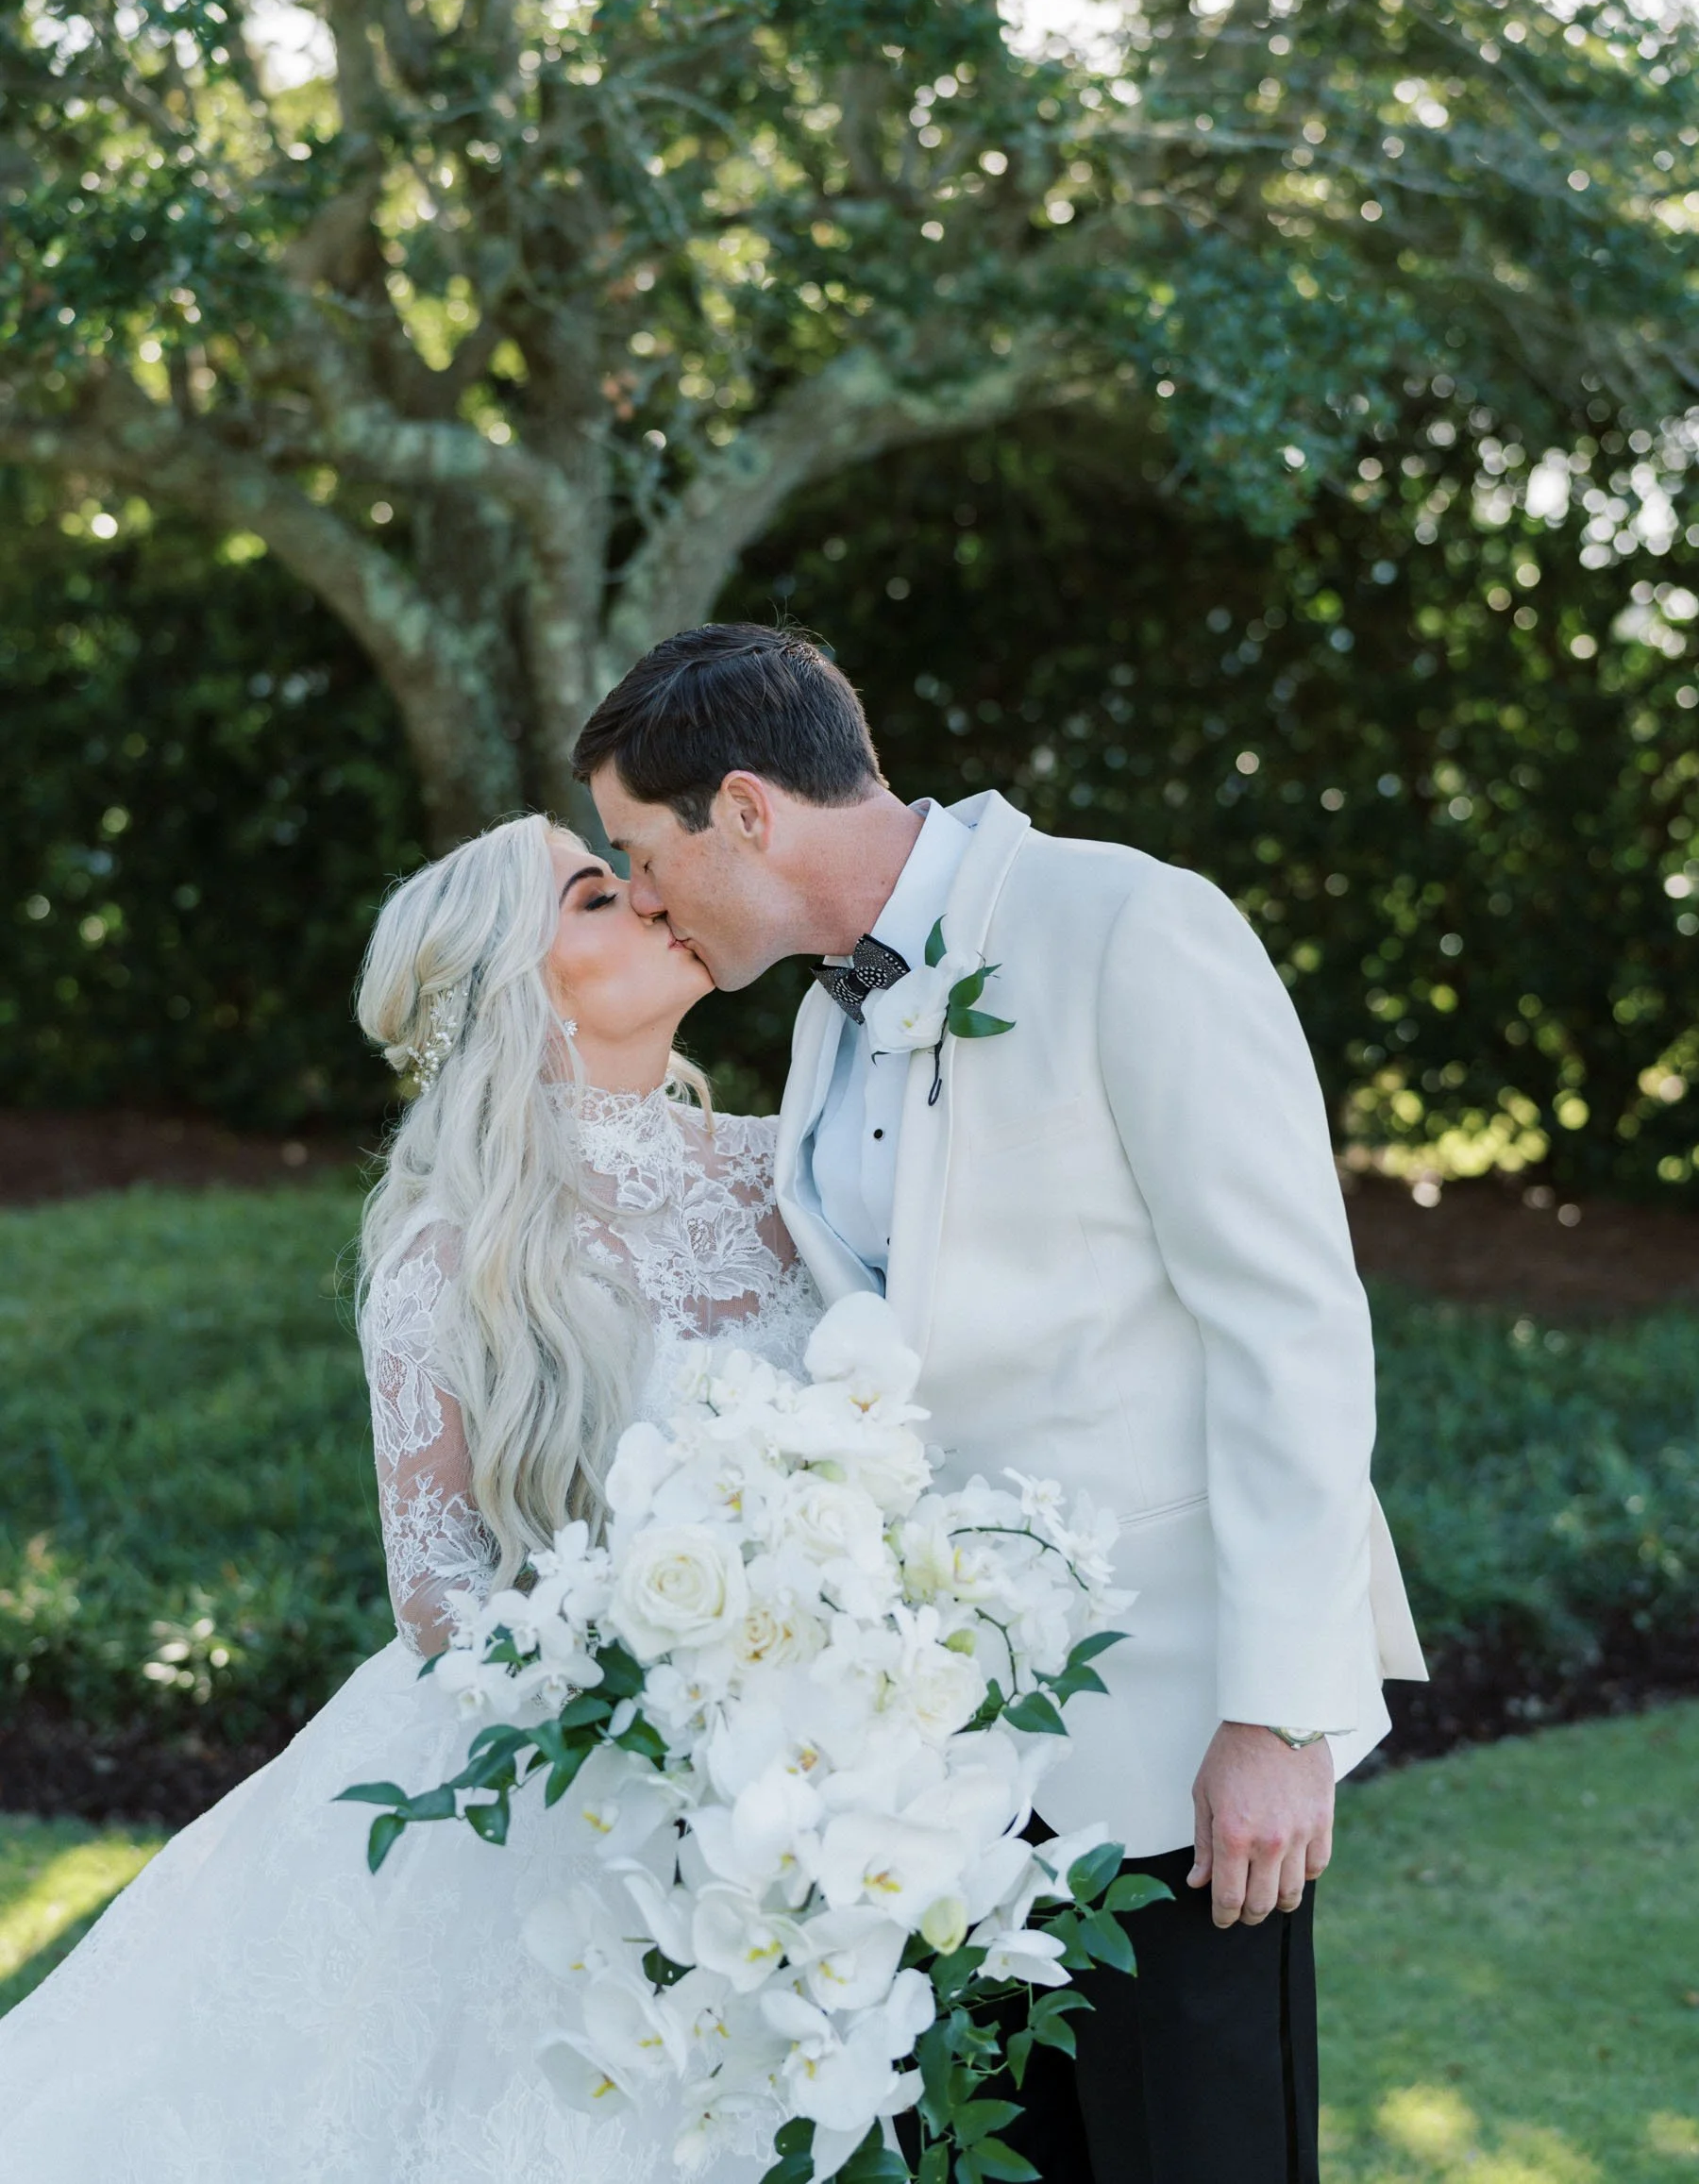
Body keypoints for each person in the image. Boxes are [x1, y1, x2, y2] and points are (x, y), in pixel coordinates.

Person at [575, 622, 1429, 2184]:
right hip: (952, 1785)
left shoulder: (1130, 924)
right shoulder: (833, 1017)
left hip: (1181, 1755)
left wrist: (1275, 1712)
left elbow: (1293, 1328)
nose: (639, 892)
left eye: (640, 849)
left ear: (748, 812)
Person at [0, 815, 811, 2183]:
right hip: (575, 1780)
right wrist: (639, 1672)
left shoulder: (803, 1167)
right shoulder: (455, 1260)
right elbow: (438, 1589)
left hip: (804, 1764)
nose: (656, 897)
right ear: (517, 982)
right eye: (601, 894)